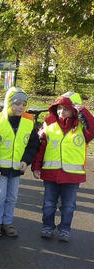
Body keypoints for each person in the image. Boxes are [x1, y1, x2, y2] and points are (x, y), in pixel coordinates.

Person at [32, 92, 94, 242]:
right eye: (59, 108)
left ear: (74, 110)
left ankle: (64, 229)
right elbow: (42, 148)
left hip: (72, 176)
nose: (61, 112)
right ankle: (47, 226)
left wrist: (83, 110)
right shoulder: (49, 125)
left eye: (65, 108)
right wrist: (36, 166)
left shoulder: (82, 129)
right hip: (51, 174)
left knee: (68, 206)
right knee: (48, 204)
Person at [0, 87, 39, 237]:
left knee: (12, 197)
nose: (20, 107)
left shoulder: (28, 123)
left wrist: (26, 161)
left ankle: (7, 223)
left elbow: (33, 144)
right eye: (17, 103)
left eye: (23, 104)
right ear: (8, 103)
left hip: (16, 170)